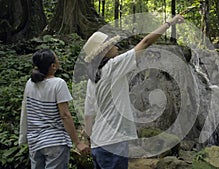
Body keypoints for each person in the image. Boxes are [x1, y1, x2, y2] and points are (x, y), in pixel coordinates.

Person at [83, 14, 184, 169]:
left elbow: (88, 115)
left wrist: (89, 140)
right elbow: (145, 42)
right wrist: (169, 23)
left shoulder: (92, 80)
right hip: (113, 143)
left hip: (98, 144)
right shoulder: (113, 66)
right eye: (112, 45)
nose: (117, 47)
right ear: (104, 52)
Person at [19, 49, 90, 169]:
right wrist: (77, 142)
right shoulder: (58, 83)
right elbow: (65, 115)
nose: (59, 61)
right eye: (57, 59)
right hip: (55, 142)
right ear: (53, 66)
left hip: (35, 142)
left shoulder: (30, 83)